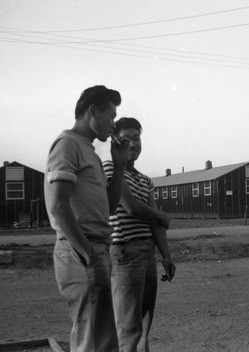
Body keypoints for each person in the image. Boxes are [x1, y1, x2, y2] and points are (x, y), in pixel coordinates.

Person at [44, 85, 130, 352]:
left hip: (93, 248)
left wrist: (119, 164)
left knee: (100, 339)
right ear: (92, 111)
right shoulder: (68, 143)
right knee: (92, 341)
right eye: (112, 116)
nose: (114, 125)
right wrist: (88, 253)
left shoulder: (89, 150)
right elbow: (59, 206)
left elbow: (110, 207)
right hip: (81, 250)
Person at [103, 117, 176, 352]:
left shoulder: (145, 179)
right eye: (127, 139)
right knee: (128, 330)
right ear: (115, 141)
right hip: (125, 251)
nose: (133, 144)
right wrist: (161, 216)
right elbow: (130, 206)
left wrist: (166, 255)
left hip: (147, 254)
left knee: (144, 328)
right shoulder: (111, 168)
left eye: (137, 138)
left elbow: (155, 221)